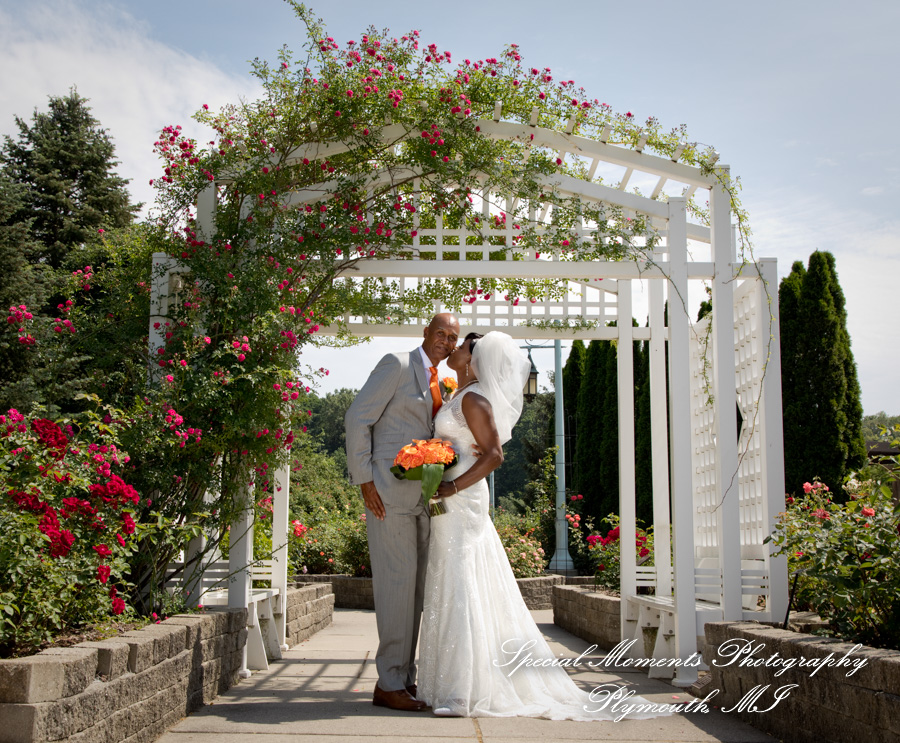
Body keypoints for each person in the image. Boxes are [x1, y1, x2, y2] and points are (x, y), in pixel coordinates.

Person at [417, 331, 669, 721]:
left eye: (462, 346)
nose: (454, 349)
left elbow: (496, 455)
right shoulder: (459, 394)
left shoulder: (474, 399)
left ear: (474, 358)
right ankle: (448, 680)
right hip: (447, 493)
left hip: (461, 496)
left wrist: (451, 484)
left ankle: (464, 690)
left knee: (462, 581)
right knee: (452, 577)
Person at [344, 313, 460, 712]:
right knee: (395, 589)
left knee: (414, 594)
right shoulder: (396, 363)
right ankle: (389, 680)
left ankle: (403, 679)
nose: (446, 341)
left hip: (424, 500)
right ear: (425, 333)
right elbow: (357, 418)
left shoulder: (444, 381)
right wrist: (365, 481)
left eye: (453, 337)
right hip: (387, 496)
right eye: (440, 333)